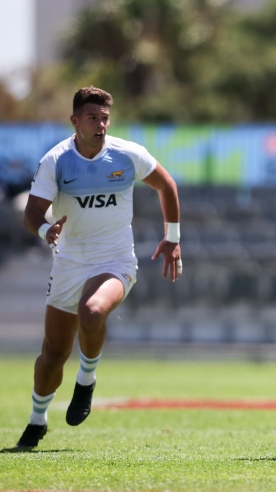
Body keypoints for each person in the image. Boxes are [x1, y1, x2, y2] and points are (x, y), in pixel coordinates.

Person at [14, 86, 182, 450]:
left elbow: (166, 184)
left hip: (116, 260)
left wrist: (173, 237)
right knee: (52, 355)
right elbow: (31, 212)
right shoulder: (56, 161)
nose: (100, 124)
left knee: (92, 313)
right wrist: (45, 229)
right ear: (75, 121)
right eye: (92, 118)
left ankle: (86, 380)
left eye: (105, 118)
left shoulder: (126, 154)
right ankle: (37, 420)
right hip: (69, 263)